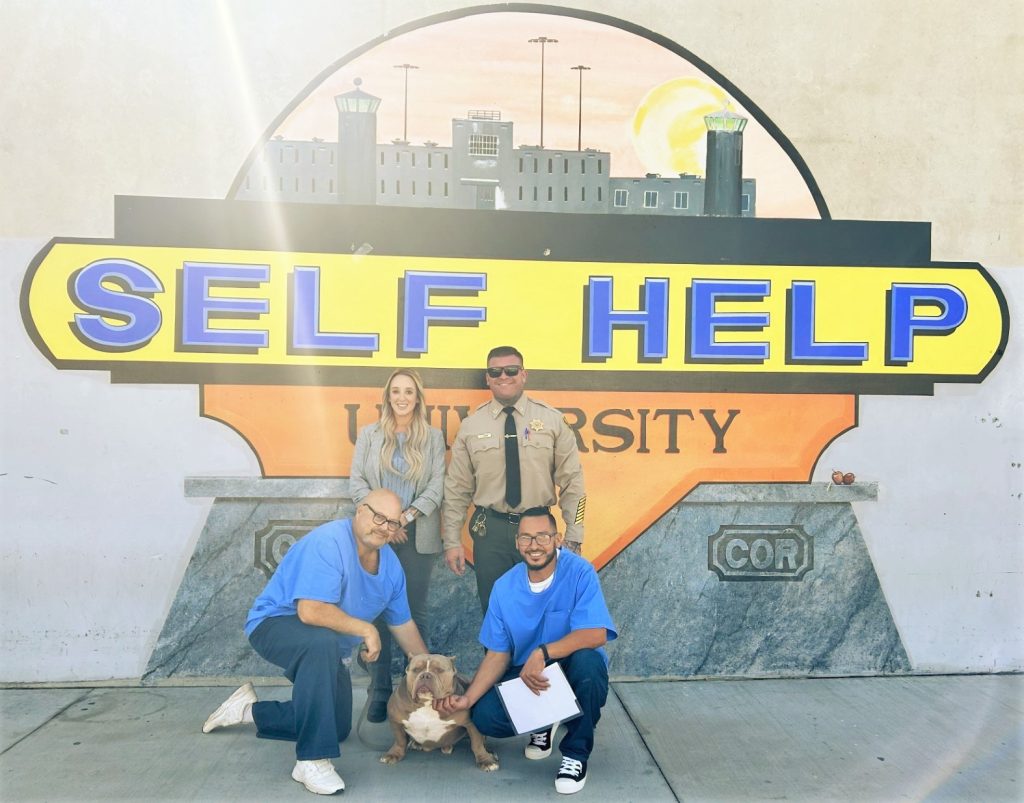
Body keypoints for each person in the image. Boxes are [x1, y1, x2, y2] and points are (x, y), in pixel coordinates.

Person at [201, 489, 429, 796]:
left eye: (392, 523)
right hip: (275, 624)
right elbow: (310, 611)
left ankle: (248, 711)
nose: (384, 527)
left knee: (334, 726)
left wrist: (432, 672)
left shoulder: (391, 569)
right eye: (378, 517)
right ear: (360, 510)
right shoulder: (329, 542)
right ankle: (310, 760)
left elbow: (403, 626)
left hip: (325, 643)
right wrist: (367, 630)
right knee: (320, 642)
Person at [433, 507, 616, 795]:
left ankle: (575, 755)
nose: (534, 545)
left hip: (572, 669)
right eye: (527, 538)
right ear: (517, 543)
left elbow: (597, 633)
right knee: (484, 715)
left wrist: (542, 652)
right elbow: (497, 654)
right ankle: (545, 718)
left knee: (589, 662)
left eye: (542, 537)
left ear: (557, 539)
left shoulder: (580, 571)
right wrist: (467, 699)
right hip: (528, 677)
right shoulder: (504, 587)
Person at [442, 345, 586, 611]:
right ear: (487, 378)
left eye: (511, 370)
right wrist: (451, 540)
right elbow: (456, 490)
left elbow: (574, 484)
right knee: (495, 610)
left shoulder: (552, 421)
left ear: (523, 374)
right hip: (491, 532)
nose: (503, 376)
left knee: (544, 609)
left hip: (540, 531)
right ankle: (497, 655)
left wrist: (575, 534)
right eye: (495, 371)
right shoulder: (471, 426)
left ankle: (541, 655)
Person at [349, 368, 446, 722]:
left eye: (409, 391)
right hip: (377, 537)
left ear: (418, 397)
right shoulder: (369, 435)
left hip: (416, 537)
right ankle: (380, 690)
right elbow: (357, 482)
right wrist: (385, 524)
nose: (402, 397)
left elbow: (438, 485)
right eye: (396, 391)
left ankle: (417, 691)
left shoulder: (433, 437)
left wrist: (403, 519)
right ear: (387, 396)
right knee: (377, 611)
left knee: (413, 613)